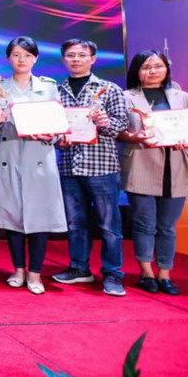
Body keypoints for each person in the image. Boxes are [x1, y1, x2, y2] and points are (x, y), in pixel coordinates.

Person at [0, 37, 67, 295]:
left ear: (35, 58)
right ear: (8, 58)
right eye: (16, 55)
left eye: (27, 55)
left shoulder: (49, 87)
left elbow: (59, 123)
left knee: (40, 216)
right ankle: (18, 270)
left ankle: (35, 273)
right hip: (9, 154)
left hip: (39, 154)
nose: (22, 60)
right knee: (13, 215)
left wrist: (51, 135)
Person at [118, 50, 188, 296]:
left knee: (167, 226)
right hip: (141, 163)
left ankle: (165, 274)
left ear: (166, 69)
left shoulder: (181, 96)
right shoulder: (126, 97)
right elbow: (118, 132)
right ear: (137, 71)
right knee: (144, 224)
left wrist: (187, 139)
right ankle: (146, 272)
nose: (153, 71)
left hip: (175, 166)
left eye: (158, 66)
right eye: (146, 67)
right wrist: (134, 136)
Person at [52, 39, 129, 297]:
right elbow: (52, 128)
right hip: (68, 166)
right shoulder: (56, 92)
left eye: (82, 55)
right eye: (70, 55)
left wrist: (105, 122)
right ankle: (79, 268)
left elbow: (121, 125)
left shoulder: (109, 89)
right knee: (75, 222)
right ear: (63, 59)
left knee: (109, 225)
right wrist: (58, 139)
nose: (76, 59)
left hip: (102, 166)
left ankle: (112, 274)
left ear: (93, 59)